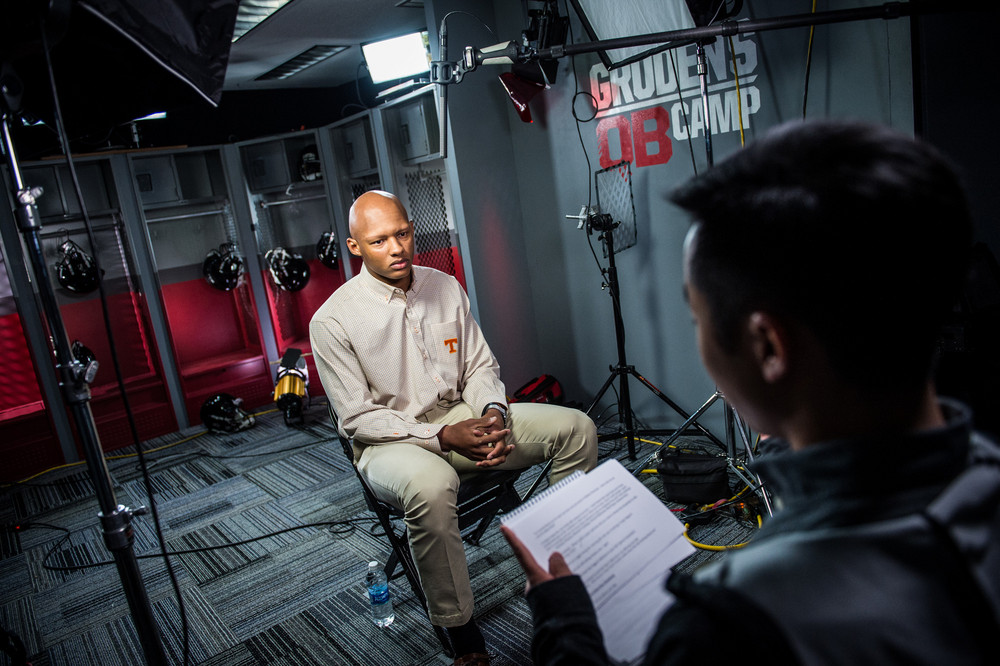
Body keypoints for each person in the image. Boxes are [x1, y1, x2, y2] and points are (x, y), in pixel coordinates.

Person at [502, 119, 1000, 664]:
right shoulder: (984, 472)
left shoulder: (725, 628)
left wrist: (565, 624)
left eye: (698, 318)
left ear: (767, 346)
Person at [309, 190, 598, 666]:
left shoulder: (445, 285)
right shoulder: (333, 320)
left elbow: (480, 367)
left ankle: (562, 569)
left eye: (402, 234)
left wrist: (493, 414)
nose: (397, 248)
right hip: (389, 442)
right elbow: (357, 418)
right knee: (431, 482)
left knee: (578, 428)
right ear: (354, 246)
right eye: (380, 241)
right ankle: (461, 634)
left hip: (464, 418)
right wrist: (440, 438)